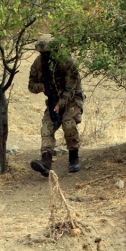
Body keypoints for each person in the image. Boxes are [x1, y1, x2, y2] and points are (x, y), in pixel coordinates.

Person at [28, 34, 85, 176]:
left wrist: (61, 103)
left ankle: (73, 158)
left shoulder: (67, 62)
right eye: (42, 53)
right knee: (46, 128)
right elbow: (31, 85)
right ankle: (45, 161)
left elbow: (71, 88)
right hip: (53, 101)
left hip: (72, 100)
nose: (45, 56)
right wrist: (41, 87)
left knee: (68, 123)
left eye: (47, 53)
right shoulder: (38, 63)